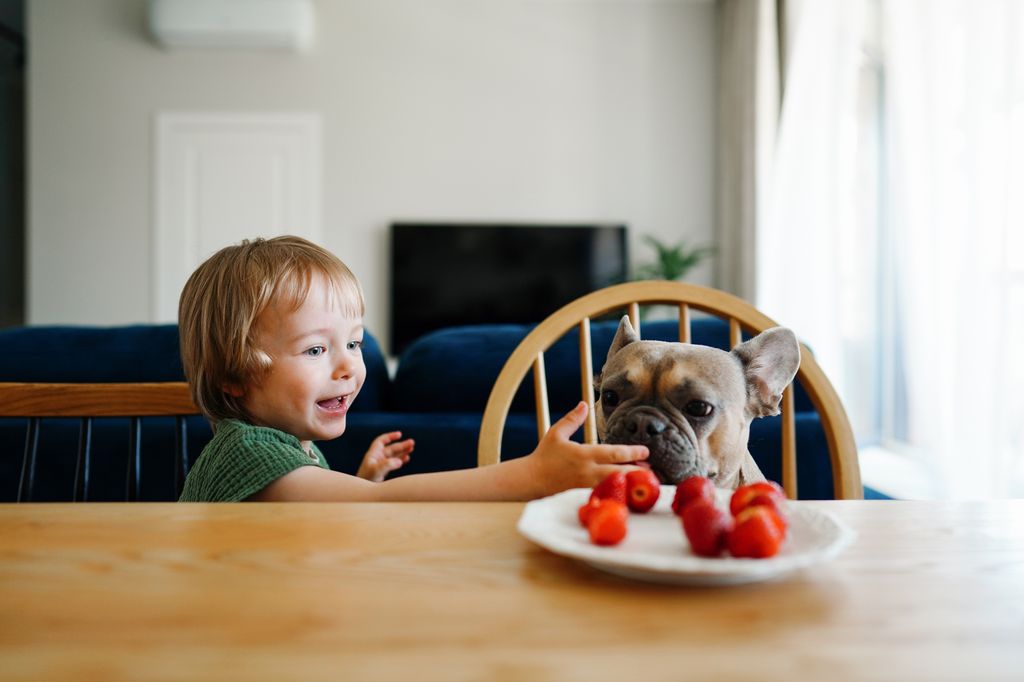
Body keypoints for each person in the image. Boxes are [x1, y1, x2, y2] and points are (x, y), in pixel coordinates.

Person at [177, 235, 647, 502]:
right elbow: (377, 509)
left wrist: (360, 481)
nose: (349, 366)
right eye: (316, 350)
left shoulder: (287, 443)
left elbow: (310, 516)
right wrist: (532, 475)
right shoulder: (249, 451)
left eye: (355, 342)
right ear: (234, 376)